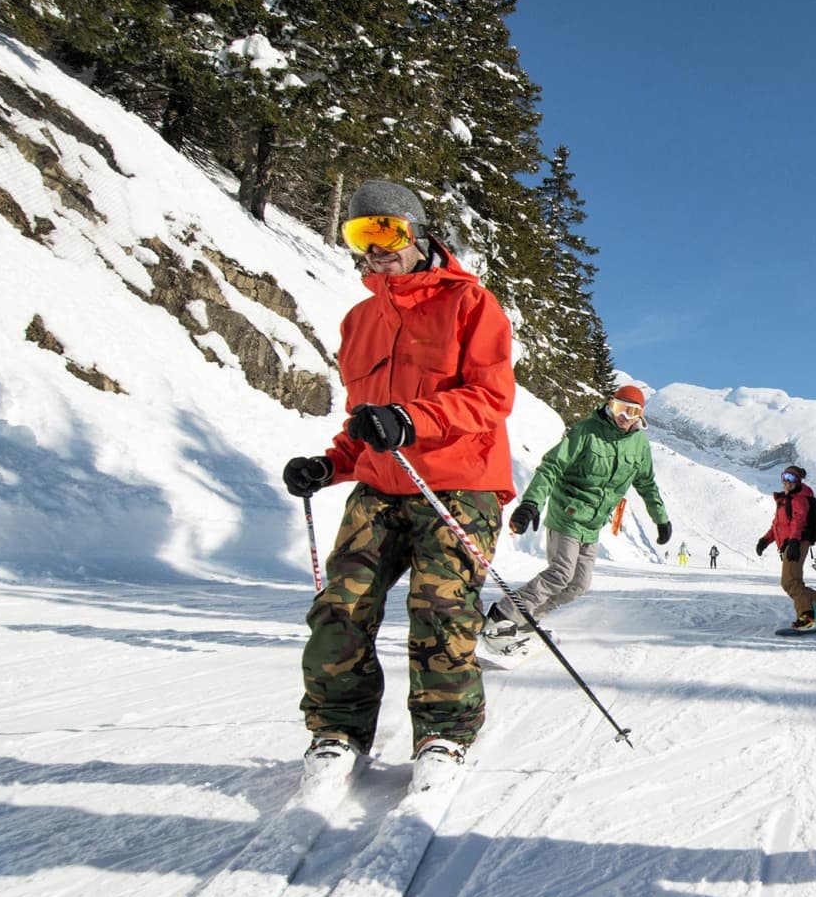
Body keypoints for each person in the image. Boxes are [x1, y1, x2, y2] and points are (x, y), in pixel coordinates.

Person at [281, 179, 515, 787]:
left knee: (438, 606)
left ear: (417, 234)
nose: (376, 248)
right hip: (381, 484)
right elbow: (366, 421)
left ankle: (444, 733)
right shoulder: (359, 319)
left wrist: (413, 420)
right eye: (362, 235)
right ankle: (336, 731)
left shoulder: (470, 304)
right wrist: (331, 465)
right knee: (341, 603)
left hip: (459, 483)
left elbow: (492, 398)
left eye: (388, 232)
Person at [482, 384, 670, 644]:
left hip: (592, 525)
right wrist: (531, 503)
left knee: (578, 586)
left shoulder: (639, 446)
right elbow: (552, 466)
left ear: (640, 416)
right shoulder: (586, 431)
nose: (623, 417)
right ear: (610, 405)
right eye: (618, 408)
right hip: (567, 514)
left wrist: (660, 518)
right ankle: (502, 616)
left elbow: (646, 484)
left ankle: (528, 620)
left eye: (630, 412)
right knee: (560, 573)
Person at [757, 465, 816, 628]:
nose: (787, 481)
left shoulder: (799, 499)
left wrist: (794, 542)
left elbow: (798, 521)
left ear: (798, 481)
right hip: (791, 544)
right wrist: (765, 540)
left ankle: (807, 615)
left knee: (790, 583)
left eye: (792, 478)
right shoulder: (784, 501)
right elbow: (777, 525)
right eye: (785, 477)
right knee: (793, 583)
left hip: (797, 543)